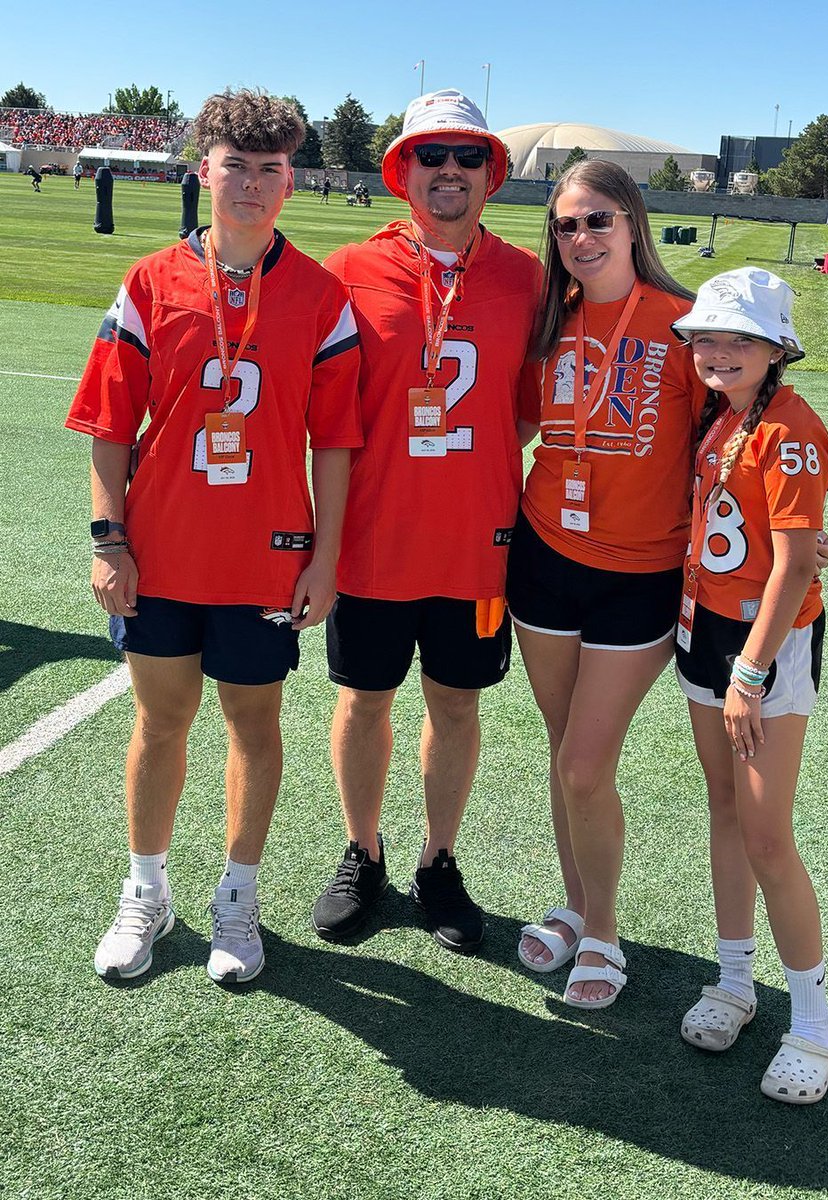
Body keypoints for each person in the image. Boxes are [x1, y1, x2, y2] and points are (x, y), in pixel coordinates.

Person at [65, 90, 362, 985]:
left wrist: (326, 557)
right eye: (236, 164)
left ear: (290, 183)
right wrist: (106, 537)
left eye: (271, 168)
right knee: (161, 723)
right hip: (160, 552)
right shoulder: (152, 282)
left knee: (253, 724)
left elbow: (337, 440)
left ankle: (238, 895)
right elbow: (111, 424)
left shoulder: (320, 294)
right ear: (206, 172)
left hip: (266, 556)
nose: (252, 182)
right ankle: (146, 889)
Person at [312, 89, 541, 952]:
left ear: (492, 172)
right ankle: (362, 853)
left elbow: (528, 409)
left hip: (476, 543)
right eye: (432, 154)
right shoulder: (347, 268)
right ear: (402, 169)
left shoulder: (526, 276)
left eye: (468, 155)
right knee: (364, 697)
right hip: (373, 540)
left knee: (456, 704)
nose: (450, 169)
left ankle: (438, 860)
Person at [510, 160, 703, 1008]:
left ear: (632, 222)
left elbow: (741, 432)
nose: (580, 238)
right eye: (564, 226)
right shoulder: (549, 322)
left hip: (641, 574)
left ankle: (606, 933)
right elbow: (517, 424)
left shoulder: (689, 325)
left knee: (588, 765)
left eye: (595, 221)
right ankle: (578, 905)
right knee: (564, 756)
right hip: (545, 558)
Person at [671, 268, 828, 1104]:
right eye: (706, 335)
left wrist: (749, 672)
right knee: (727, 813)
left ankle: (812, 1023)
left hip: (761, 648)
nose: (717, 351)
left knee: (768, 833)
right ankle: (735, 980)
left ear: (776, 348)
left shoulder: (790, 428)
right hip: (706, 631)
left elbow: (794, 562)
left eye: (738, 338)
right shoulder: (726, 418)